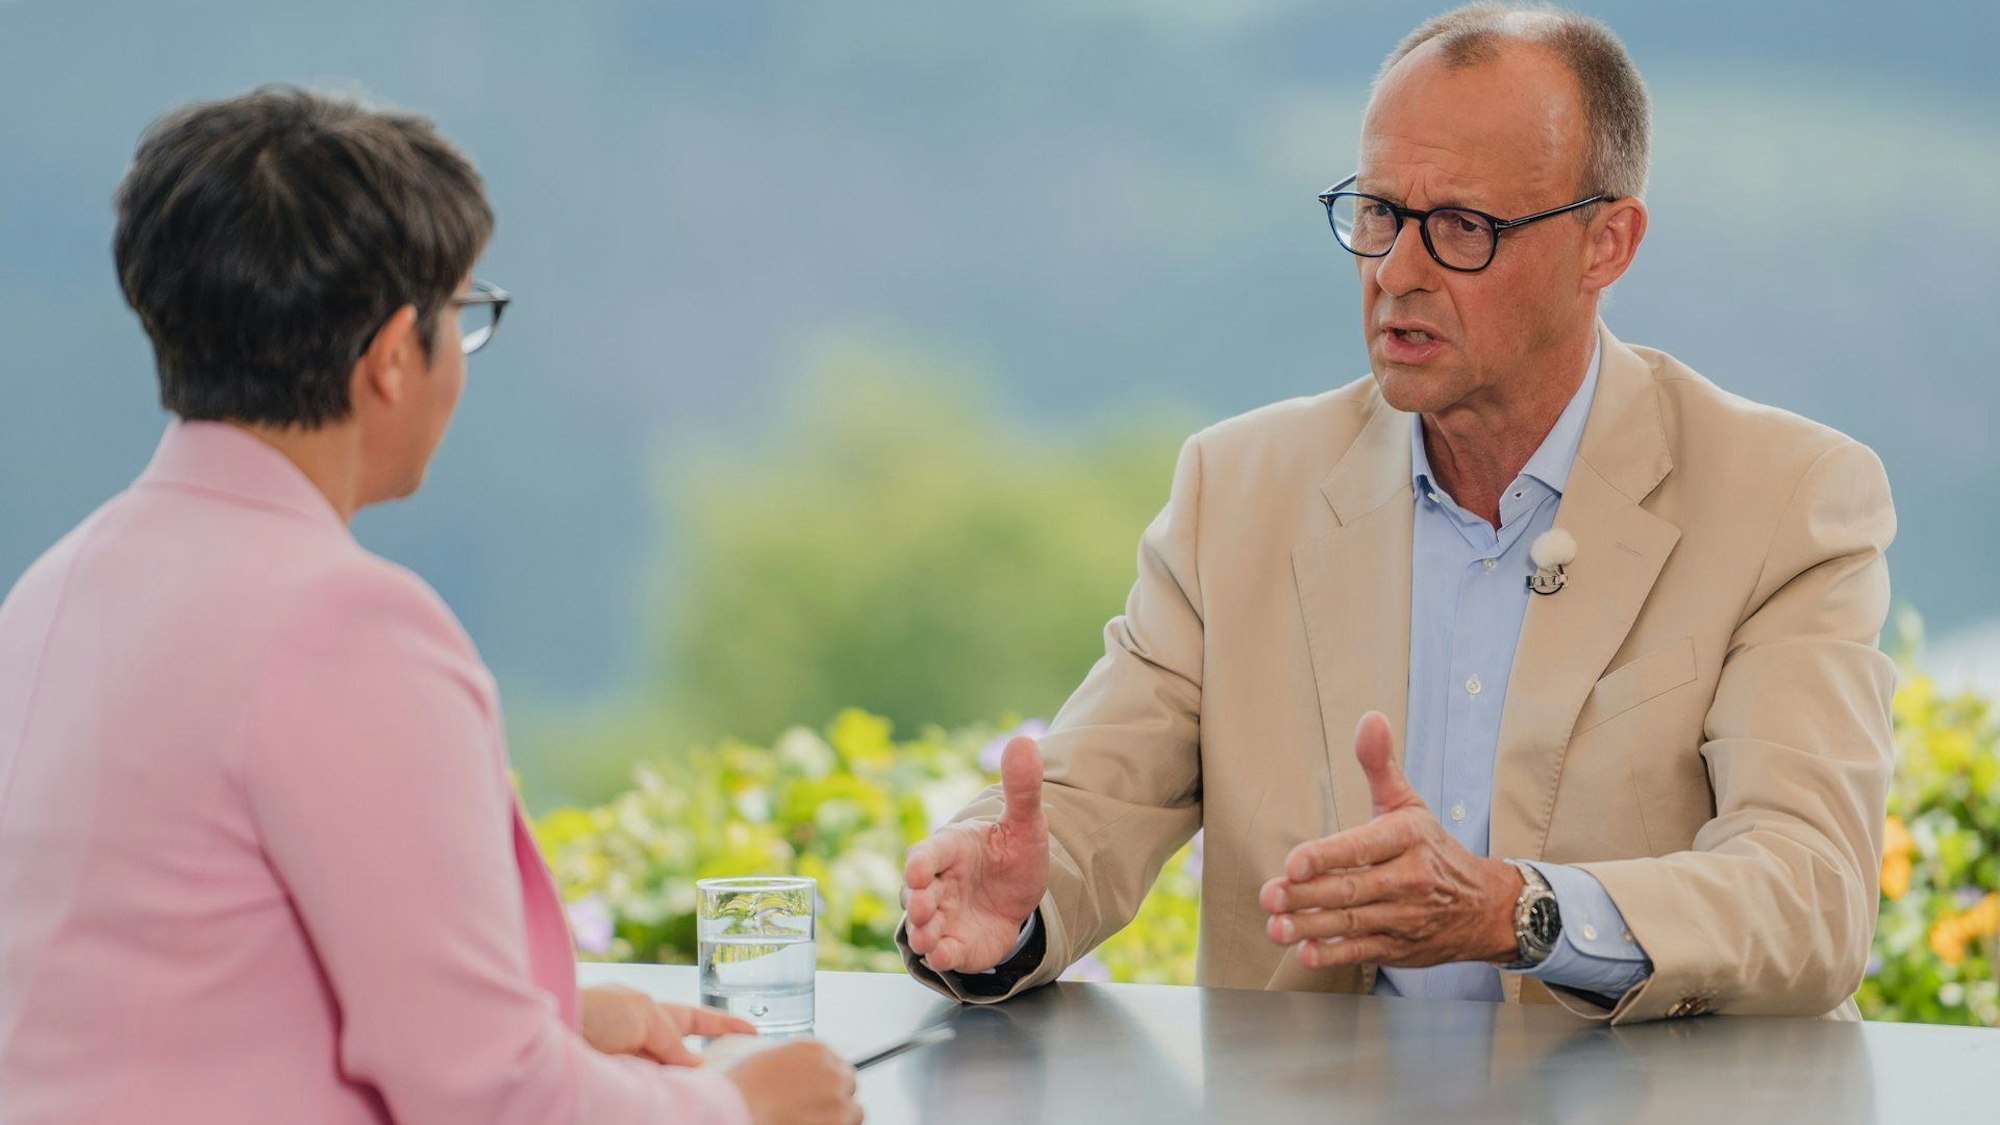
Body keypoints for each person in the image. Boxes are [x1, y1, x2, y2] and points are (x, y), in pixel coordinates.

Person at [898, 3, 1896, 1025]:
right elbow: (1082, 806)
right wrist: (1009, 904)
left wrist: (1519, 913)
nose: (1395, 272)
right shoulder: (1235, 490)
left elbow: (1808, 895)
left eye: (1461, 227)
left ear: (1606, 244)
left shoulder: (1784, 497)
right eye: (1375, 213)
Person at [0, 88, 860, 1125]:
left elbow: (173, 985)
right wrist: (744, 1111)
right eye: (459, 315)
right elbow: (488, 1103)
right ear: (392, 359)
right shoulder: (343, 629)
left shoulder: (56, 587)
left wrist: (551, 1014)